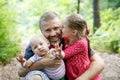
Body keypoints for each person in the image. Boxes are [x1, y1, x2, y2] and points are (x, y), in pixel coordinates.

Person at [17, 11, 104, 80]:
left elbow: (99, 63)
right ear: (41, 32)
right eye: (47, 30)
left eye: (56, 28)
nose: (53, 33)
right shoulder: (36, 45)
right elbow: (21, 72)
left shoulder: (70, 39)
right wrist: (43, 62)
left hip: (70, 77)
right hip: (46, 76)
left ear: (62, 27)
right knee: (34, 77)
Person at [56, 13, 100, 80]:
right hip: (74, 73)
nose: (60, 29)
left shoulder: (81, 43)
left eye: (63, 27)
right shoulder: (67, 39)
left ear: (73, 32)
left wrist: (59, 53)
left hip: (82, 73)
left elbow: (65, 54)